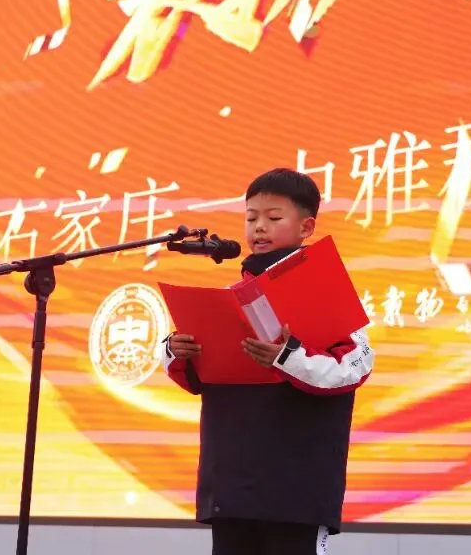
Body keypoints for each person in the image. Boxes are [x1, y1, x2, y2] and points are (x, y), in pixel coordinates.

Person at [160, 168, 374, 555]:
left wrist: (286, 357)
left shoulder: (327, 293)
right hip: (232, 484)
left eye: (274, 217)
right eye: (251, 218)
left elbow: (354, 366)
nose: (259, 227)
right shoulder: (230, 300)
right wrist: (176, 348)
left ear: (307, 226)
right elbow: (196, 376)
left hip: (298, 490)